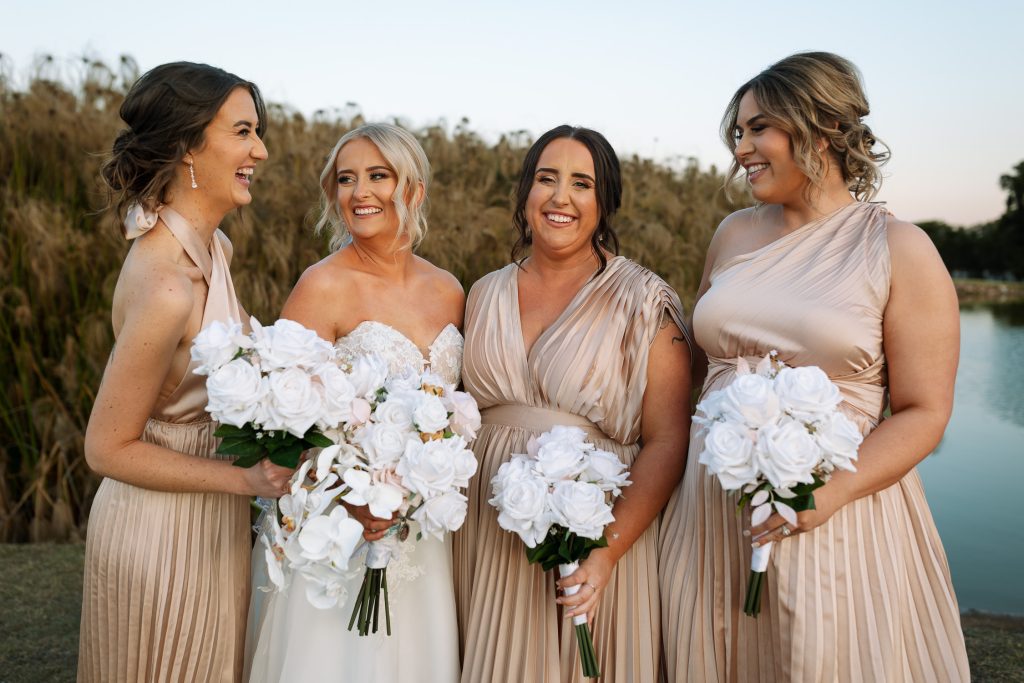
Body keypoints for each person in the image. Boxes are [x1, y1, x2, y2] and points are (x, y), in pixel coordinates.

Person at [659, 52, 970, 681]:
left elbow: (924, 411)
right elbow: (696, 362)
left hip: (835, 507)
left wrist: (830, 494)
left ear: (822, 129)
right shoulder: (733, 234)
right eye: (738, 132)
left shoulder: (899, 248)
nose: (742, 148)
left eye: (759, 129)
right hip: (711, 504)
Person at [77, 62, 292, 683]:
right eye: (244, 132)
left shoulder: (215, 249)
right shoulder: (166, 283)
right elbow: (106, 448)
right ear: (188, 145)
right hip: (159, 529)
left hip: (213, 517)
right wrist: (244, 480)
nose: (261, 149)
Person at [454, 125, 692, 682]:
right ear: (524, 194)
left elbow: (668, 439)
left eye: (581, 183)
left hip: (595, 535)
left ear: (605, 201)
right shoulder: (483, 292)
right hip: (485, 538)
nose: (560, 197)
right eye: (546, 179)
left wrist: (606, 552)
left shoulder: (643, 299)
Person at [244, 122, 465, 683]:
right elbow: (280, 426)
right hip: (338, 532)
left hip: (424, 537)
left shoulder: (450, 290)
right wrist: (351, 499)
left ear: (412, 188)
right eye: (346, 179)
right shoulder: (321, 287)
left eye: (378, 176)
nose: (360, 192)